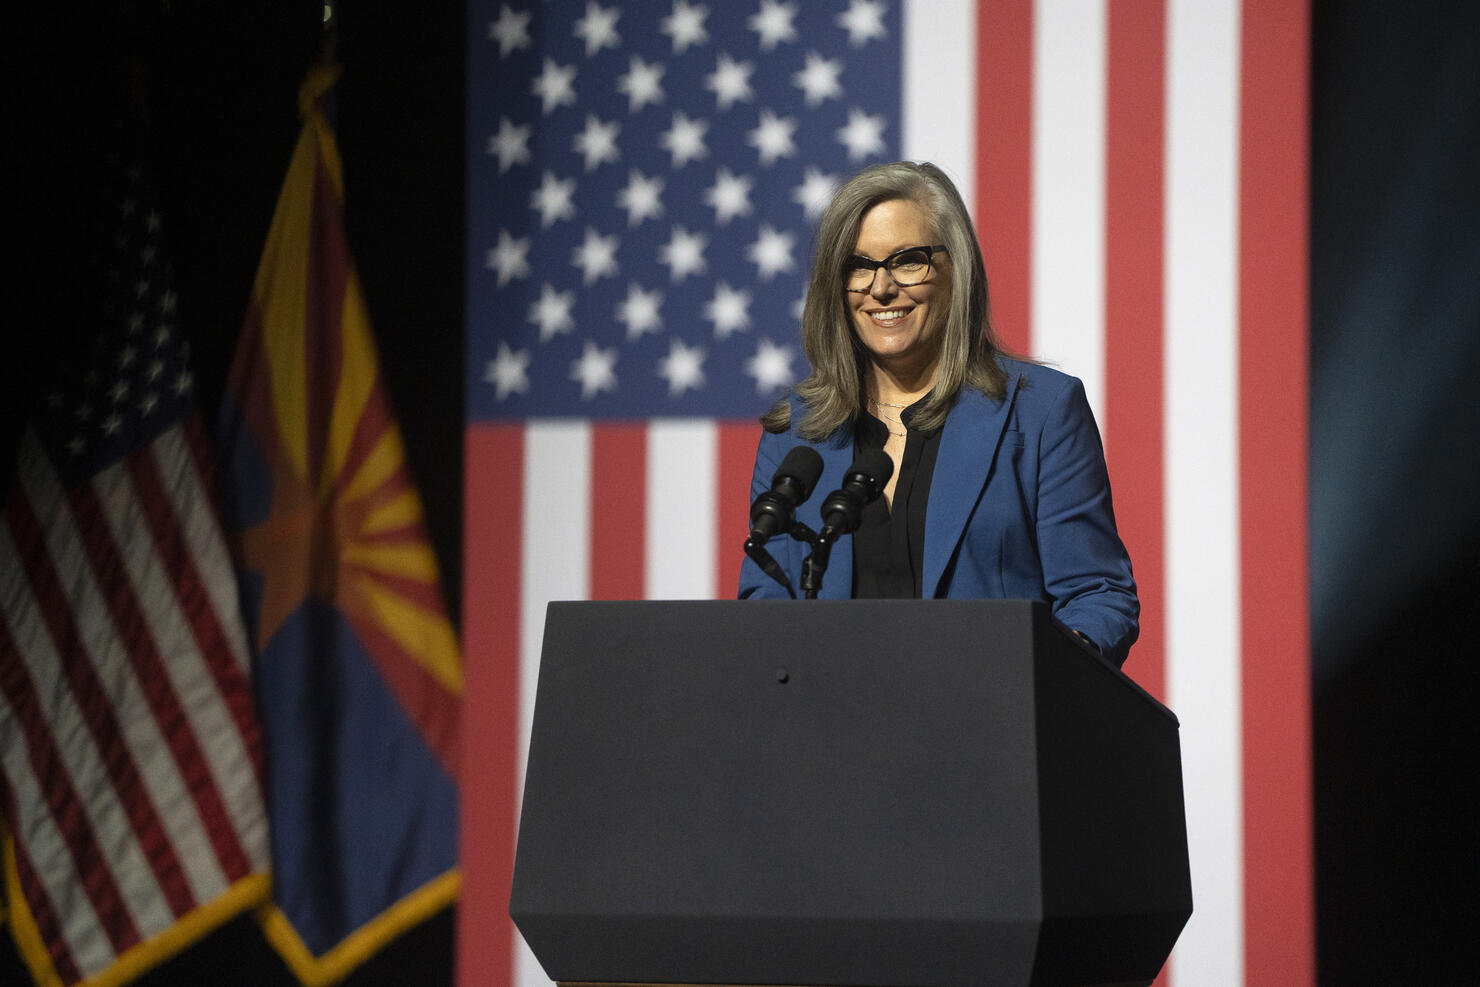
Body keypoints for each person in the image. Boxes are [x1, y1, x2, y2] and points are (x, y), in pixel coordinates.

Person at [737, 160, 1139, 667]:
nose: (880, 288)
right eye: (858, 266)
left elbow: (1098, 594)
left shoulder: (1037, 412)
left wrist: (1050, 684)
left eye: (907, 260)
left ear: (957, 269)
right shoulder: (797, 430)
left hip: (994, 728)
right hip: (838, 733)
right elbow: (766, 603)